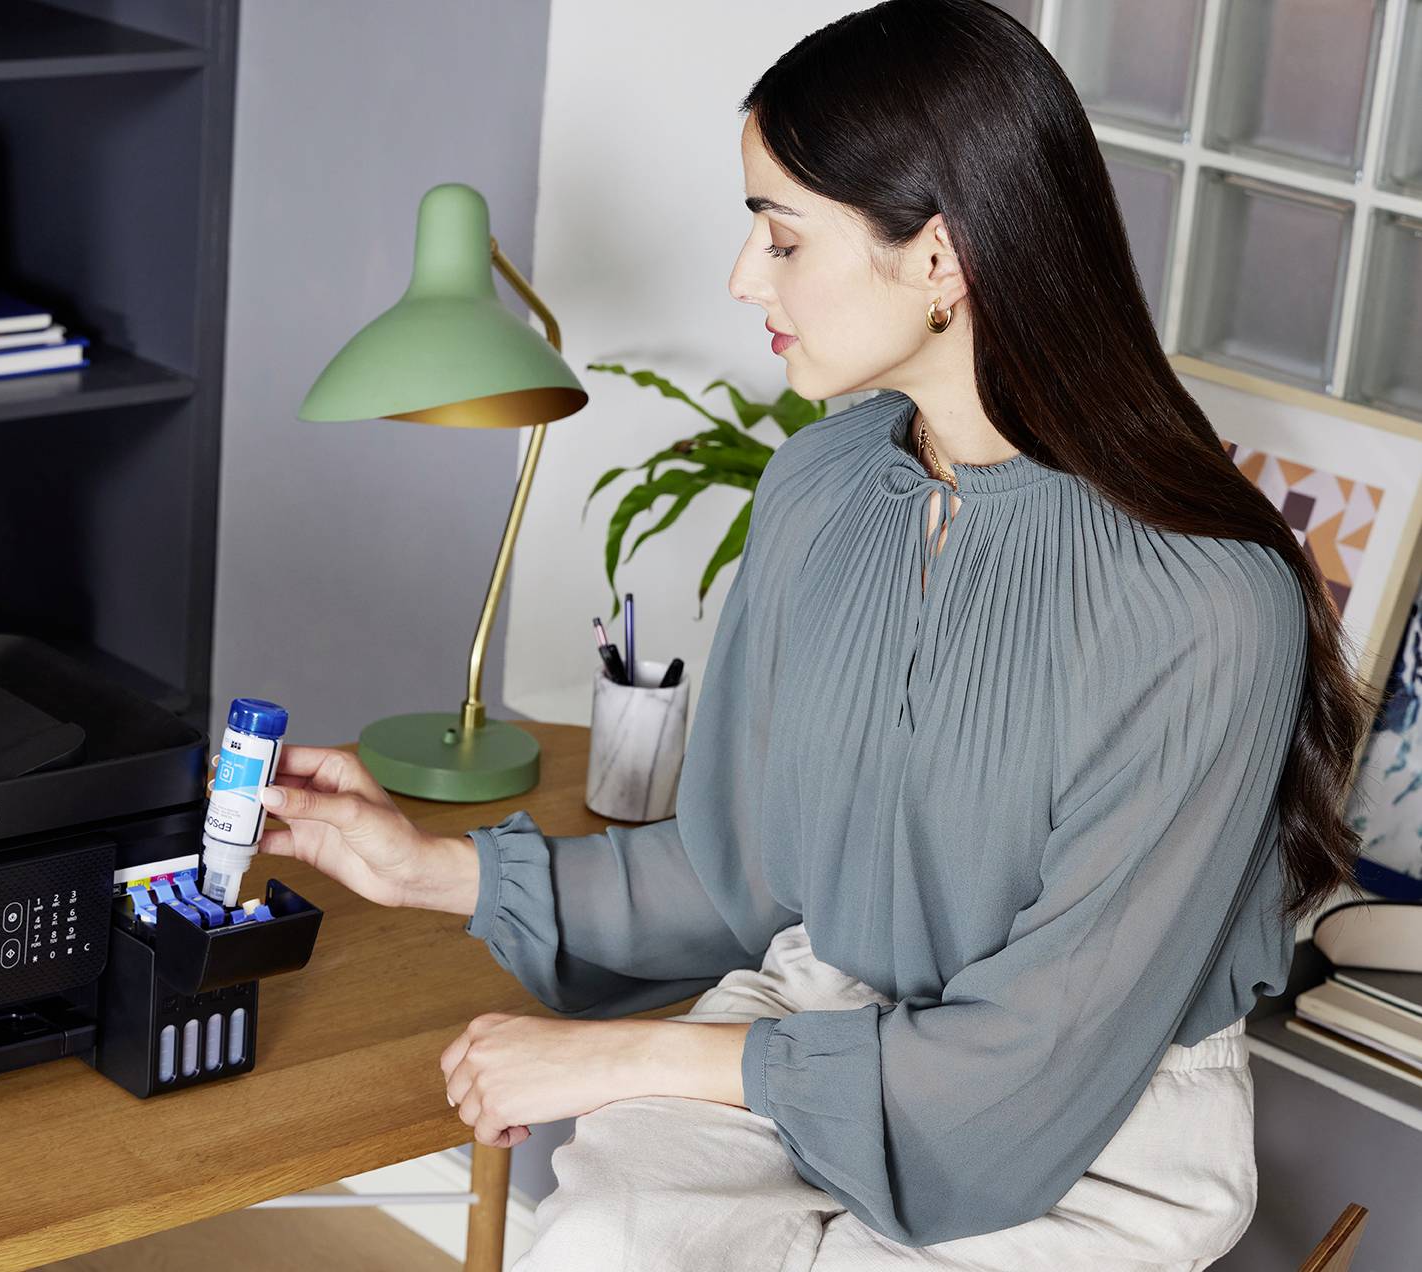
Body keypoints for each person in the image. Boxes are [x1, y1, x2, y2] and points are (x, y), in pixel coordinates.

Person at [248, 1, 1378, 1266]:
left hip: (1087, 1132)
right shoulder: (821, 485)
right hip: (811, 1025)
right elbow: (743, 873)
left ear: (941, 260)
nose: (745, 281)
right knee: (599, 1244)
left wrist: (623, 1054)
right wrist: (425, 871)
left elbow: (1041, 1051)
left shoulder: (1209, 599)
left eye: (781, 240)